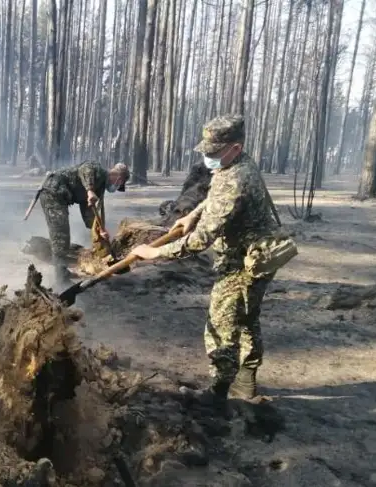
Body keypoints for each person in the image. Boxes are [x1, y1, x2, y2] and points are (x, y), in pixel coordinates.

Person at [130, 115, 279, 412]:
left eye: (213, 151)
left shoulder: (236, 177)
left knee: (221, 323)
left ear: (234, 147)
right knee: (247, 318)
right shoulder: (236, 165)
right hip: (256, 253)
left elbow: (199, 242)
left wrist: (153, 254)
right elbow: (215, 195)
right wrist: (193, 214)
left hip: (245, 261)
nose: (207, 157)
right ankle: (245, 382)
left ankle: (218, 392)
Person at [33, 161, 130, 281]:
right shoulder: (97, 170)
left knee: (63, 237)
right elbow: (85, 169)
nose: (117, 186)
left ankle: (62, 272)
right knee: (60, 236)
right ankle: (60, 277)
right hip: (52, 192)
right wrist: (90, 190)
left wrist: (99, 230)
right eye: (120, 183)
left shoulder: (99, 189)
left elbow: (89, 213)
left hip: (60, 198)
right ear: (119, 177)